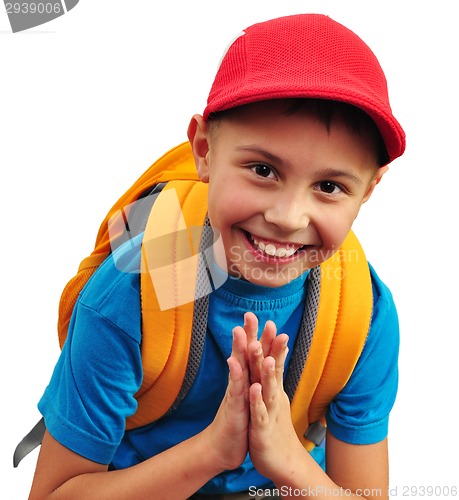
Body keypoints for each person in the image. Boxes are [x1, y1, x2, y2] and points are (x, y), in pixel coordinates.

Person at [28, 13, 405, 499]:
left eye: (330, 186)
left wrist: (290, 462)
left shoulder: (359, 312)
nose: (289, 217)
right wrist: (212, 450)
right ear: (204, 150)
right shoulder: (137, 291)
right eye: (263, 170)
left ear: (369, 189)